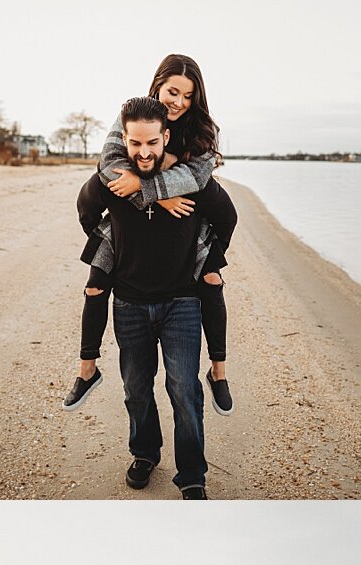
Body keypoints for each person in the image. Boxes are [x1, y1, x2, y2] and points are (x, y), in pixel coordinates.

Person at [73, 95, 237, 498]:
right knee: (136, 389)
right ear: (123, 140)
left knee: (183, 388)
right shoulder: (114, 178)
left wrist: (207, 259)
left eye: (151, 143)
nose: (143, 152)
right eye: (135, 144)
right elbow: (85, 211)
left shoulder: (190, 180)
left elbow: (227, 217)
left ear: (165, 136)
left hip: (181, 301)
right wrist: (111, 242)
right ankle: (145, 453)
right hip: (129, 303)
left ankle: (193, 474)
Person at [62, 54, 237, 419]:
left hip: (191, 217)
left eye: (188, 96)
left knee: (211, 276)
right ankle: (87, 369)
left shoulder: (204, 129)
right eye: (173, 91)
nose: (178, 101)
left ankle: (218, 372)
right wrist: (155, 189)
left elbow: (199, 179)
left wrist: (158, 186)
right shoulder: (132, 113)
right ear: (158, 83)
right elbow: (110, 165)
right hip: (129, 219)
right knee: (95, 282)